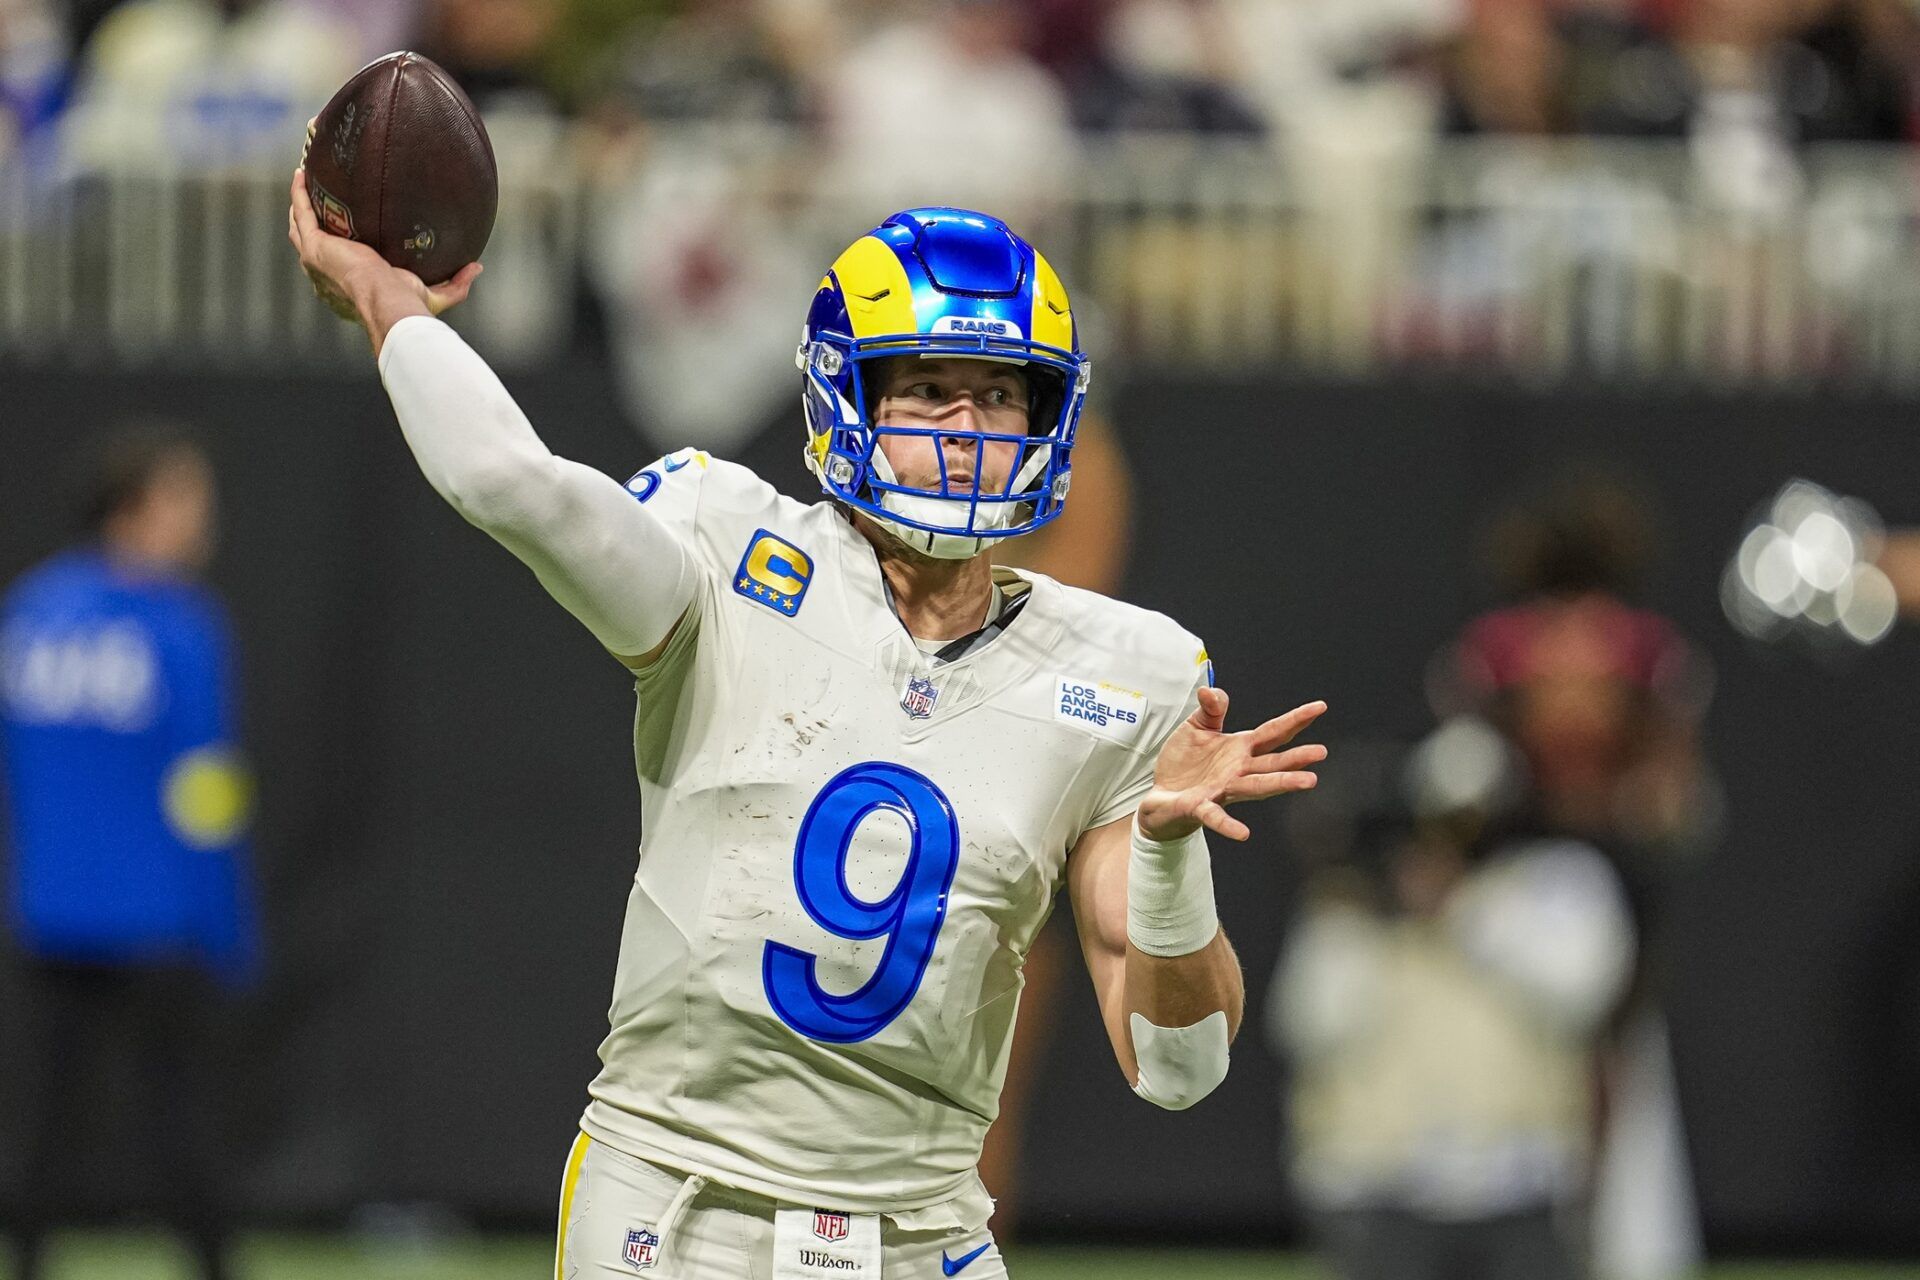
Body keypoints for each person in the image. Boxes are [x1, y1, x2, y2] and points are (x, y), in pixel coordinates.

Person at [288, 175, 1328, 1277]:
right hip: (680, 1206)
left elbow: (1181, 1066)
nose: (969, 430)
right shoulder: (727, 549)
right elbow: (513, 482)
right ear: (848, 398)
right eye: (928, 391)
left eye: (998, 395)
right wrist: (385, 300)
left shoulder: (1125, 671)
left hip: (923, 1232)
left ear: (1050, 415)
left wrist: (1168, 855)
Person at [0, 427, 255, 1280]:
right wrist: (227, 926)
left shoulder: (30, 612)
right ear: (137, 509)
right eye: (187, 500)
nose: (203, 520)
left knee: (43, 1124)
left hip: (51, 912)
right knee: (179, 1121)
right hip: (158, 918)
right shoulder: (180, 627)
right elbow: (207, 792)